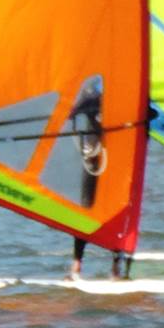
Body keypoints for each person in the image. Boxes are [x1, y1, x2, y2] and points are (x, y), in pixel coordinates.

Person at [65, 77, 129, 282]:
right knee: (85, 211)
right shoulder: (92, 91)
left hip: (118, 164)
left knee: (119, 213)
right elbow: (71, 113)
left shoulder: (128, 93)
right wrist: (91, 110)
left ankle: (116, 267)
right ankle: (76, 266)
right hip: (93, 162)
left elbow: (151, 113)